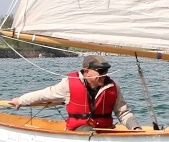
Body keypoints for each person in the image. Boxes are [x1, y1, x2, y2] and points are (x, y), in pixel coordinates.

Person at [10, 54, 141, 131]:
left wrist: (135, 128)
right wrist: (20, 100)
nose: (104, 75)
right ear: (87, 71)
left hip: (105, 131)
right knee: (87, 130)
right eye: (101, 71)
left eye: (106, 71)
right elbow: (44, 95)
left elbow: (123, 112)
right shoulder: (68, 84)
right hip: (80, 131)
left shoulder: (113, 87)